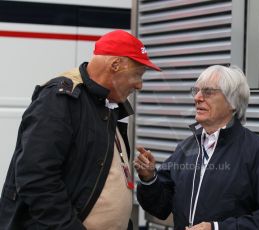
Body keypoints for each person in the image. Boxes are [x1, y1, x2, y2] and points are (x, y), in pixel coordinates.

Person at [0, 29, 160, 230]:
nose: (139, 85)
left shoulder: (106, 104)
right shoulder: (60, 101)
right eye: (138, 74)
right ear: (115, 65)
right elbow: (36, 179)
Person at [134, 65, 259, 230]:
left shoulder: (256, 151)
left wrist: (217, 228)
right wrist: (149, 179)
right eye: (196, 91)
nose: (197, 97)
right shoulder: (187, 148)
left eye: (208, 92)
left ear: (232, 102)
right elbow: (161, 207)